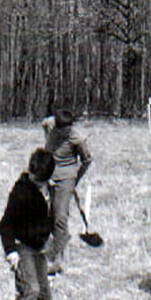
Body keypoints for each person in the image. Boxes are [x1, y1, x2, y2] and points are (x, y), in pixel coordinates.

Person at [0, 148, 57, 300]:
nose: (36, 181)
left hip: (39, 248)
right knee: (30, 289)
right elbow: (5, 224)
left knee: (43, 294)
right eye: (34, 177)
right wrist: (11, 252)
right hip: (21, 247)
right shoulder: (21, 191)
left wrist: (50, 244)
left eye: (41, 179)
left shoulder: (49, 190)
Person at [41, 108, 93, 274]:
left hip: (66, 178)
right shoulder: (51, 126)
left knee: (61, 218)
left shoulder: (77, 139)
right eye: (59, 128)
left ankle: (58, 260)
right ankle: (48, 247)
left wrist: (74, 180)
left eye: (65, 130)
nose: (62, 132)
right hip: (48, 176)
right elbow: (45, 122)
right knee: (47, 215)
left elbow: (87, 160)